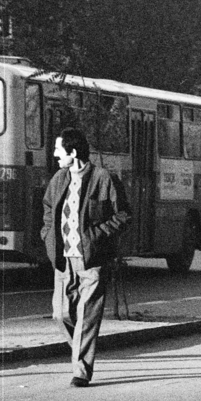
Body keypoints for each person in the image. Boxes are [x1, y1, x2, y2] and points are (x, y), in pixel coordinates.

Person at [40, 127, 131, 387]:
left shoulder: (104, 178)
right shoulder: (59, 178)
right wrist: (47, 234)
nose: (55, 155)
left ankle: (80, 370)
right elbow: (48, 209)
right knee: (61, 314)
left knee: (88, 315)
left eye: (59, 150)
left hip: (92, 260)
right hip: (63, 259)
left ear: (74, 152)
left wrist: (96, 235)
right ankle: (80, 349)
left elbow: (123, 215)